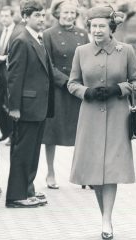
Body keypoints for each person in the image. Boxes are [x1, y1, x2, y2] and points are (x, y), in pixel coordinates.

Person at [67, 5, 136, 239]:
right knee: (94, 171)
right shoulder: (81, 51)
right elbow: (72, 83)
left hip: (117, 117)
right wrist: (86, 92)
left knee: (111, 169)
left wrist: (119, 89)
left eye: (102, 26)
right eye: (93, 26)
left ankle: (106, 220)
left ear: (111, 28)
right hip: (89, 118)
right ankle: (105, 217)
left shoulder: (125, 50)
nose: (97, 30)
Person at [5, 0, 54, 208]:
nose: (41, 19)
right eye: (36, 16)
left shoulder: (36, 38)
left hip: (37, 107)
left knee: (32, 151)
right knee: (23, 151)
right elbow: (14, 76)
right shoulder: (22, 40)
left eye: (43, 15)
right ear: (25, 17)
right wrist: (14, 107)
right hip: (26, 107)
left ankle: (27, 189)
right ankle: (16, 196)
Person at [42, 0, 90, 190]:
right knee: (52, 134)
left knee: (82, 134)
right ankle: (50, 172)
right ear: (57, 13)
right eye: (65, 12)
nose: (69, 16)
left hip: (78, 90)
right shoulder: (48, 34)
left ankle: (83, 173)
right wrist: (66, 82)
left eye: (72, 12)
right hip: (59, 90)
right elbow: (47, 64)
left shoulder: (82, 34)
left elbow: (88, 60)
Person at [0, 6, 15, 144]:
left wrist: (5, 57)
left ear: (12, 16)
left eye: (7, 16)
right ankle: (5, 131)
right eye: (2, 16)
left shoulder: (17, 32)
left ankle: (13, 134)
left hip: (11, 72)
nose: (4, 18)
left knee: (10, 103)